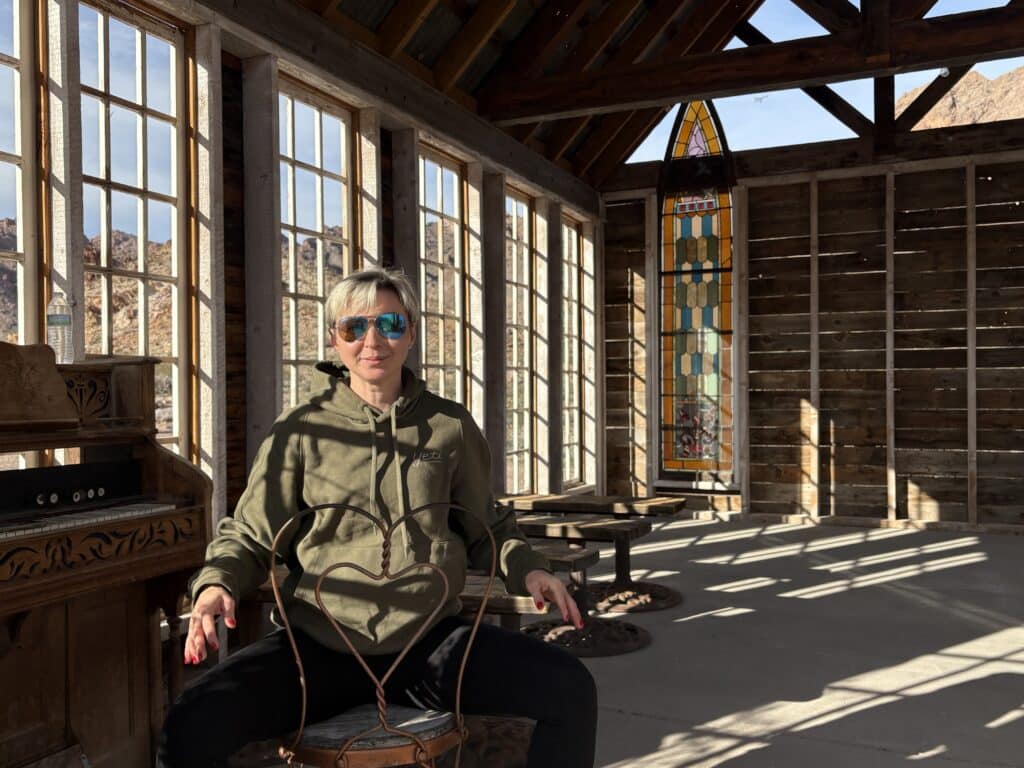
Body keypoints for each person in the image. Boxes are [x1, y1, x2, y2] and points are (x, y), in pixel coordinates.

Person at [158, 267, 597, 768]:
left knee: (569, 687)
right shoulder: (300, 430)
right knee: (191, 723)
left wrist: (530, 569)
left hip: (430, 647)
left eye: (389, 324)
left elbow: (488, 528)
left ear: (411, 332)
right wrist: (217, 585)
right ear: (335, 340)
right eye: (354, 327)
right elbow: (252, 535)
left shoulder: (448, 427)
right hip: (320, 648)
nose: (373, 340)